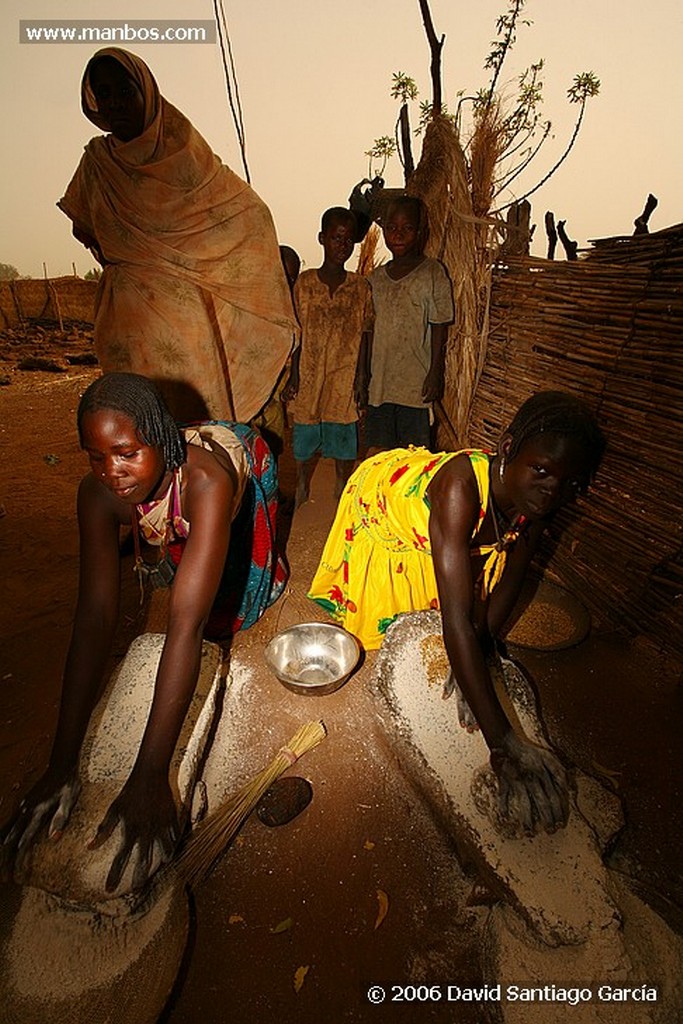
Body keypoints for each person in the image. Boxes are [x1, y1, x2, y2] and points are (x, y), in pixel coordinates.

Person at [1, 373, 286, 892]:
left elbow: (185, 626)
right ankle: (185, 533)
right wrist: (61, 764)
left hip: (237, 458)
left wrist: (151, 774)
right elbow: (94, 619)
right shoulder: (97, 495)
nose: (112, 472)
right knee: (185, 561)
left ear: (162, 440)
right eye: (96, 456)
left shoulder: (209, 482)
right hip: (179, 481)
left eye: (127, 453)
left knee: (234, 604)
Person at [309, 391, 606, 834]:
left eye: (571, 484)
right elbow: (455, 622)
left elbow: (511, 580)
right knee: (422, 616)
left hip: (440, 517)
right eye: (541, 471)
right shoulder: (459, 491)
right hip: (385, 498)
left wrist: (479, 653)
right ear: (508, 449)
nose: (553, 491)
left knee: (463, 618)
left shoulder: (537, 503)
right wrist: (503, 742)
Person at [58, 47, 297, 422]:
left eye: (124, 91)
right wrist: (131, 259)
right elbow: (83, 226)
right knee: (138, 426)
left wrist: (190, 267)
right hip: (127, 321)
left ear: (147, 92)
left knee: (193, 426)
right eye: (104, 94)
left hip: (185, 323)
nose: (115, 103)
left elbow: (249, 213)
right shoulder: (96, 163)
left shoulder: (184, 151)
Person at [283, 207, 374, 505]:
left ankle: (341, 485)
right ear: (322, 238)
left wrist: (362, 378)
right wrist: (293, 373)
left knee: (343, 430)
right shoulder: (306, 284)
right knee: (305, 432)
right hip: (309, 371)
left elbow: (365, 334)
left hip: (343, 372)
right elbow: (296, 332)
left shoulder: (360, 288)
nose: (342, 246)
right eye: (336, 238)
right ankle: (301, 484)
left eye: (348, 240)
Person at [366, 195, 454, 451]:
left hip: (414, 386)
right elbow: (368, 331)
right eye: (392, 228)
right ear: (383, 231)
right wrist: (364, 376)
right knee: (378, 457)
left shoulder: (432, 273)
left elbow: (440, 325)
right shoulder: (375, 279)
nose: (399, 235)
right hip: (380, 386)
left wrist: (436, 372)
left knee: (413, 459)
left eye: (407, 229)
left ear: (420, 232)